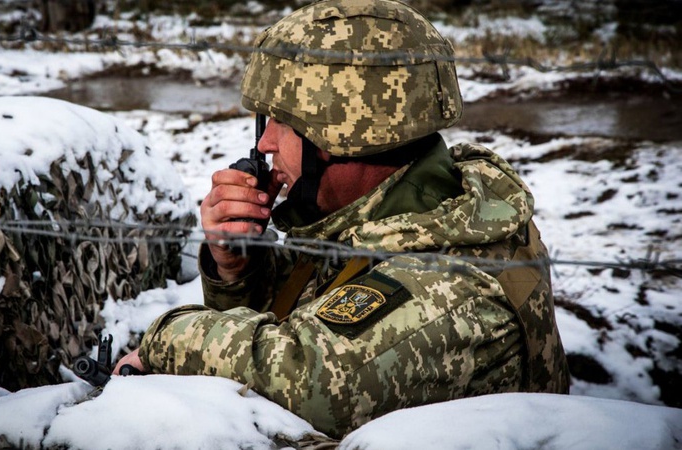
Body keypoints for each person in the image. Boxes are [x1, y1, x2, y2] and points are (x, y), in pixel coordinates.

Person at [115, 0, 569, 437]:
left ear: (343, 136)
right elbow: (304, 314)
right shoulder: (385, 217)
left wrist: (164, 341)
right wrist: (237, 266)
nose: (265, 144)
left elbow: (307, 380)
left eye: (281, 122)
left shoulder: (450, 283)